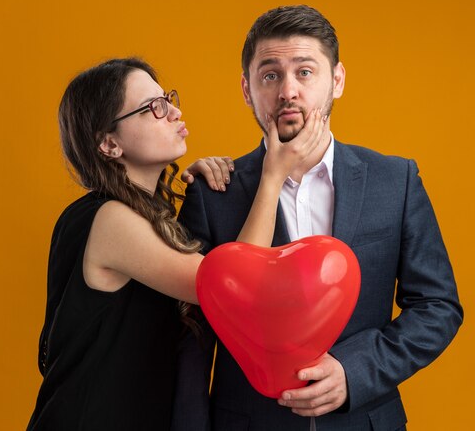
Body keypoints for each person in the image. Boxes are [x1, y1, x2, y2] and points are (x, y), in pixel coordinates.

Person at [172, 5, 464, 430]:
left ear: (337, 80)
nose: (288, 91)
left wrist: (354, 371)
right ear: (246, 88)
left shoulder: (395, 180)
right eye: (270, 75)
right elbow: (190, 343)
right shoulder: (210, 192)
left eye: (305, 72)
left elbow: (438, 306)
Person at [26, 57, 327, 430]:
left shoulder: (140, 215)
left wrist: (202, 190)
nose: (173, 112)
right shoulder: (110, 220)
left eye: (167, 98)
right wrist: (273, 175)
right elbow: (235, 288)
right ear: (109, 143)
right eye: (153, 108)